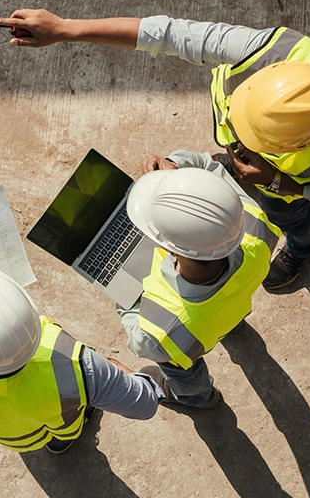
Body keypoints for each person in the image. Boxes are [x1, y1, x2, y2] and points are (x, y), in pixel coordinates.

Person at [0, 10, 310, 289]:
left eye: (252, 140)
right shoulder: (265, 50)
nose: (236, 142)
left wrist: (281, 183)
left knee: (292, 218)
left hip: (282, 187)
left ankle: (306, 243)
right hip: (265, 172)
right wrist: (65, 29)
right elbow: (166, 34)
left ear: (300, 143)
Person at [0, 202, 165, 454]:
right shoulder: (80, 367)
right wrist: (107, 368)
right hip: (61, 424)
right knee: (64, 427)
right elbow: (144, 403)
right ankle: (61, 442)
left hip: (9, 436)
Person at [117, 151, 280, 408]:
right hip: (227, 309)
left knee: (182, 370)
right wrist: (178, 176)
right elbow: (211, 170)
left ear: (167, 247)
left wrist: (122, 294)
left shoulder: (160, 332)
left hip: (188, 339)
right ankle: (232, 328)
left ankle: (198, 397)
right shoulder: (256, 226)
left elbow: (140, 342)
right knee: (224, 314)